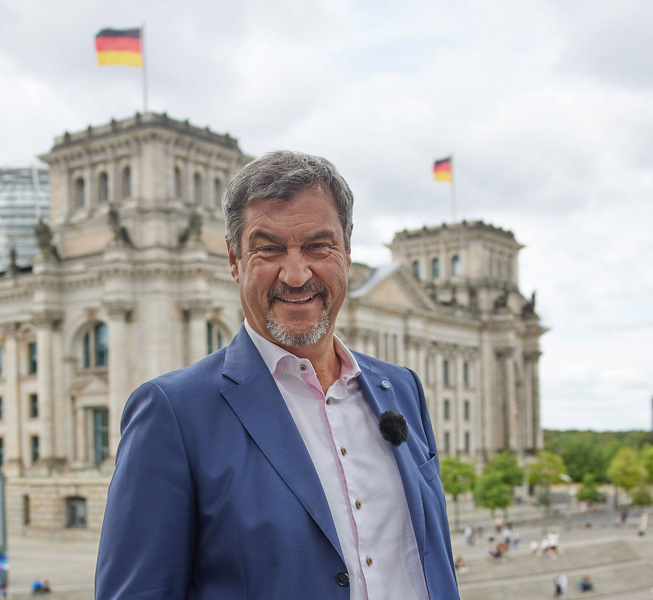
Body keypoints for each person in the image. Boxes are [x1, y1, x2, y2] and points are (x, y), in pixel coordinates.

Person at [96, 151, 460, 600]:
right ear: (234, 259)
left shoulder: (401, 388)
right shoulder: (174, 413)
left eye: (317, 246)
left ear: (347, 248)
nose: (295, 273)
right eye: (268, 249)